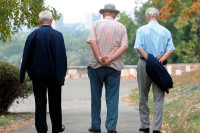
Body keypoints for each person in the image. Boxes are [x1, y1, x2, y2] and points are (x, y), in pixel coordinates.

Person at [20, 11, 67, 133]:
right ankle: (56, 127)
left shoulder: (32, 35)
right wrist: (62, 74)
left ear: (39, 21)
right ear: (51, 20)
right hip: (54, 75)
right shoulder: (58, 35)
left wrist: (23, 75)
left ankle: (41, 129)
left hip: (38, 75)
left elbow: (26, 57)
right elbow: (62, 57)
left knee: (40, 102)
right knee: (55, 102)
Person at [87, 3, 128, 133]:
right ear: (115, 15)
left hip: (95, 66)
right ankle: (111, 128)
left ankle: (95, 126)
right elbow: (124, 46)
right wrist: (110, 59)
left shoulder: (96, 24)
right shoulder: (121, 27)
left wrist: (100, 58)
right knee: (112, 98)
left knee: (95, 96)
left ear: (103, 13)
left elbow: (92, 41)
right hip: (114, 67)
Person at [134, 7, 175, 133]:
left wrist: (149, 59)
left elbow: (138, 47)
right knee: (158, 98)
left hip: (144, 64)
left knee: (143, 95)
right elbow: (171, 49)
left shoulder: (141, 30)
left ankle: (145, 125)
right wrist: (160, 60)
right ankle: (157, 128)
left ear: (146, 17)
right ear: (158, 17)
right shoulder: (165, 31)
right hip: (160, 65)